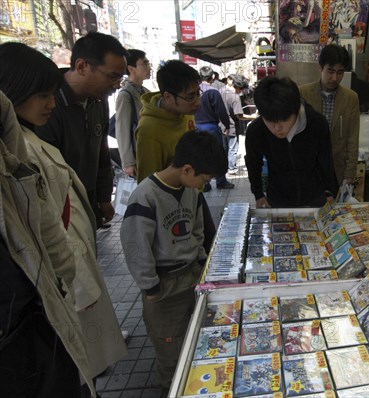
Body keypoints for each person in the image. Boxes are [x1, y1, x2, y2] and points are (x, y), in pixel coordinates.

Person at [0, 42, 127, 383]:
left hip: (70, 244)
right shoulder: (22, 149)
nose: (51, 103)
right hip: (36, 291)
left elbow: (100, 155)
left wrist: (101, 197)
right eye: (113, 75)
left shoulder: (95, 107)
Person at [0, 90, 94, 397]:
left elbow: (48, 227)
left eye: (52, 95)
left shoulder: (18, 144)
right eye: (42, 94)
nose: (51, 104)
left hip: (35, 308)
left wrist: (62, 274)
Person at [121, 130, 227, 388]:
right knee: (170, 349)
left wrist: (201, 261)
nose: (204, 184)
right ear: (188, 169)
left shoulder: (191, 191)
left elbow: (198, 229)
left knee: (197, 338)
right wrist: (150, 287)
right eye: (204, 178)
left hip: (192, 276)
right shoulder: (146, 196)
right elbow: (136, 246)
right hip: (164, 287)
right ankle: (172, 388)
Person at [35, 31, 128, 229]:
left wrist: (104, 197)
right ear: (82, 66)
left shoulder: (98, 102)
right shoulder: (47, 105)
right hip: (59, 210)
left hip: (88, 200)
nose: (117, 85)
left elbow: (102, 151)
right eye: (112, 76)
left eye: (120, 78)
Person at [135, 60, 217, 254]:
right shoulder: (149, 129)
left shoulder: (186, 113)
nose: (197, 101)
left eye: (198, 93)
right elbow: (147, 182)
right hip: (170, 207)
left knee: (208, 245)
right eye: (190, 97)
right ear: (168, 97)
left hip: (193, 195)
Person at [245, 76, 339, 208]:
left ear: (295, 110)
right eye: (270, 120)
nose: (277, 128)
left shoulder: (317, 123)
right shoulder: (256, 131)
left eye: (284, 119)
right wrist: (258, 194)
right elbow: (253, 163)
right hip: (278, 198)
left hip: (315, 197)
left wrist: (330, 191)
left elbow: (326, 160)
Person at [299, 44, 359, 187]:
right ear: (320, 67)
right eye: (330, 71)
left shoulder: (351, 98)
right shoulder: (303, 93)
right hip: (308, 167)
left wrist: (350, 172)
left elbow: (352, 137)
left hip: (336, 168)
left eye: (340, 73)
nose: (334, 77)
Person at [195, 65, 234, 190]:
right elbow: (221, 111)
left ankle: (204, 183)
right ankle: (220, 181)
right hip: (211, 127)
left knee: (201, 155)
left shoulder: (194, 91)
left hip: (196, 126)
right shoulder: (212, 91)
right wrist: (227, 125)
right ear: (212, 77)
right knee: (217, 154)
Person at [115, 49, 151, 177]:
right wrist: (128, 162)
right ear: (131, 68)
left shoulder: (146, 92)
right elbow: (122, 130)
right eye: (145, 63)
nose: (149, 67)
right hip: (138, 155)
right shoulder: (125, 95)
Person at [221, 74, 257, 174]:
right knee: (232, 148)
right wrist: (253, 117)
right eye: (241, 89)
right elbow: (239, 116)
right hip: (231, 126)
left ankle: (225, 167)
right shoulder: (235, 97)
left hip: (221, 125)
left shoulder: (222, 91)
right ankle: (232, 168)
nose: (241, 92)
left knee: (225, 148)